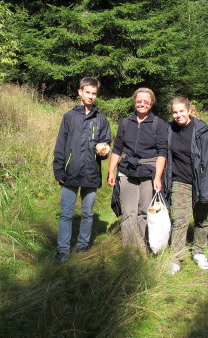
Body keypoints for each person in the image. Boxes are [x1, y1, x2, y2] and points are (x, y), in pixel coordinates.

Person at [53, 77, 111, 265]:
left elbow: (105, 145)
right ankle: (63, 250)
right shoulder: (69, 117)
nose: (91, 96)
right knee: (66, 213)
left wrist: (104, 151)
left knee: (87, 213)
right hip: (70, 172)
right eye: (88, 92)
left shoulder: (101, 119)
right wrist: (59, 170)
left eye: (94, 93)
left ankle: (83, 246)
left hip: (91, 174)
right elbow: (61, 144)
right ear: (80, 92)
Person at [107, 88, 168, 251]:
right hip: (127, 171)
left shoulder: (159, 125)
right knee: (129, 212)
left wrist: (157, 177)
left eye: (146, 101)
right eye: (139, 101)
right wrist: (111, 171)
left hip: (148, 172)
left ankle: (141, 248)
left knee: (143, 212)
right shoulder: (126, 122)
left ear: (151, 103)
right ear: (135, 102)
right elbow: (117, 148)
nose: (142, 104)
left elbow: (162, 152)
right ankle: (129, 250)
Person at [164, 97, 208, 273]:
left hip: (201, 180)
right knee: (180, 219)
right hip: (179, 181)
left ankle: (199, 252)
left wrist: (207, 187)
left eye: (181, 111)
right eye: (175, 112)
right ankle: (176, 258)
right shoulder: (169, 129)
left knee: (201, 219)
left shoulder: (201, 130)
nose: (178, 115)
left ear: (188, 110)